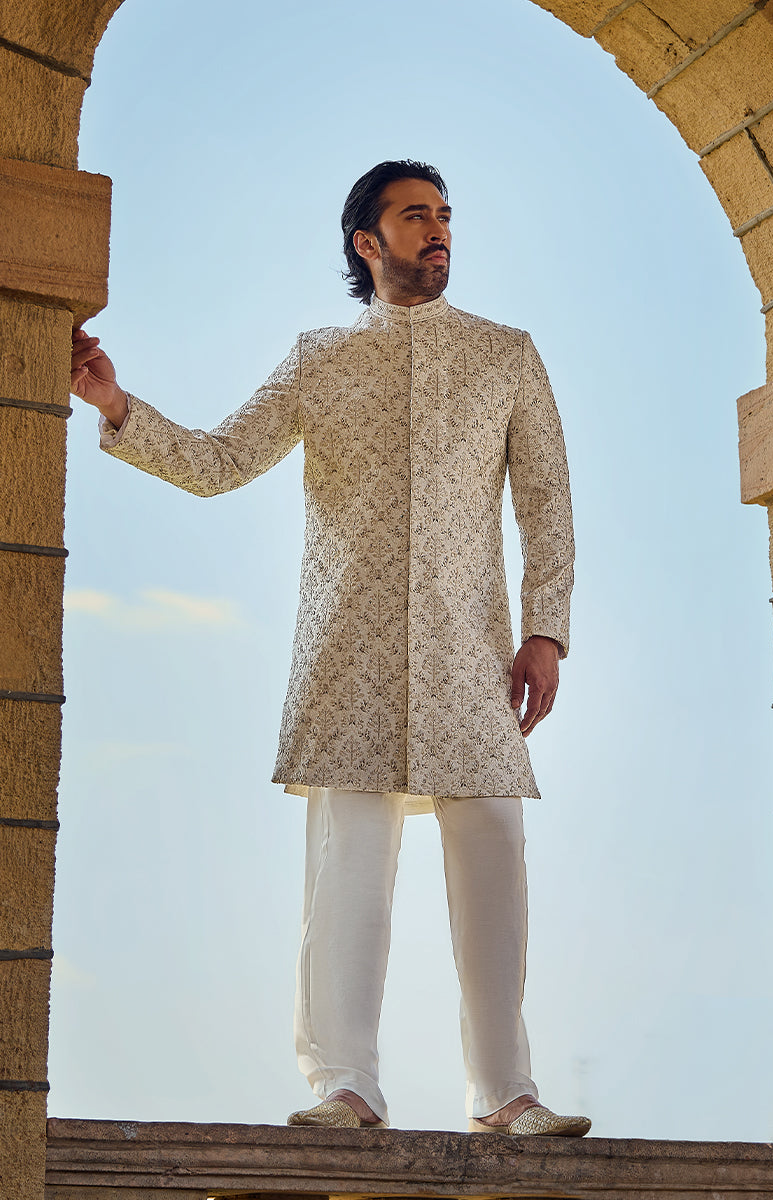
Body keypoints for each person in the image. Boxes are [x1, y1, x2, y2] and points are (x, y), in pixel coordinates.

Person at [70, 159, 589, 1138]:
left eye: (444, 215)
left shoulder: (505, 355)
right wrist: (115, 404)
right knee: (347, 871)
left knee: (492, 851)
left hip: (471, 654)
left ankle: (506, 1093)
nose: (437, 230)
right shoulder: (319, 358)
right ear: (367, 241)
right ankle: (345, 1086)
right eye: (415, 215)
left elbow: (547, 503)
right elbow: (222, 460)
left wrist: (544, 630)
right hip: (348, 654)